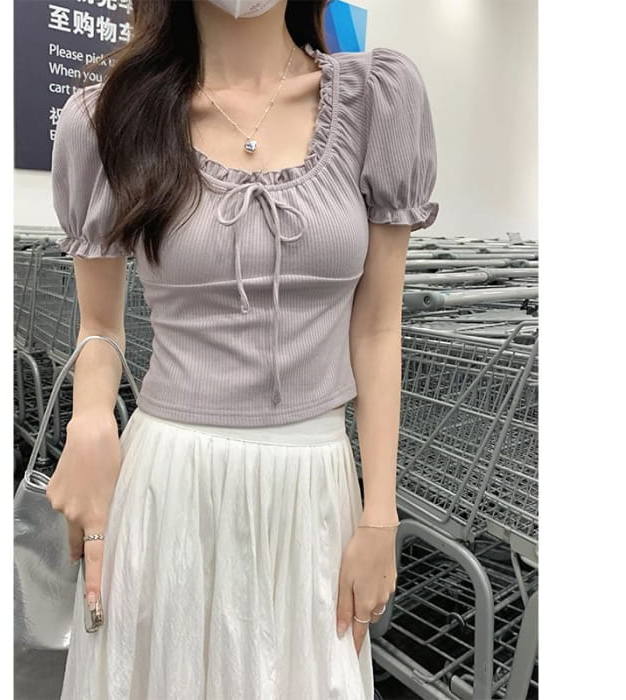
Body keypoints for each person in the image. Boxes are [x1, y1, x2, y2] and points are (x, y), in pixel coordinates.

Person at [46, 0, 439, 697]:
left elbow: (378, 327)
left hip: (310, 490)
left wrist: (380, 514)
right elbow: (99, 324)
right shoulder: (109, 118)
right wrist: (89, 420)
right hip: (168, 487)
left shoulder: (378, 103)